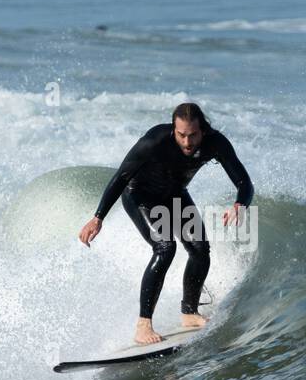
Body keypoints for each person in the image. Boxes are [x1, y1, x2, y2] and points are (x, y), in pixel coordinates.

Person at [78, 103, 254, 346]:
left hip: (174, 194)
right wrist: (98, 217)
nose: (187, 141)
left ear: (203, 130)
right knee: (165, 247)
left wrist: (240, 204)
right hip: (140, 196)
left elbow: (244, 182)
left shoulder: (216, 143)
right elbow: (121, 177)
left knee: (200, 248)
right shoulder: (155, 140)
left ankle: (189, 313)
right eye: (181, 134)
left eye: (193, 135)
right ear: (174, 129)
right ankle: (143, 325)